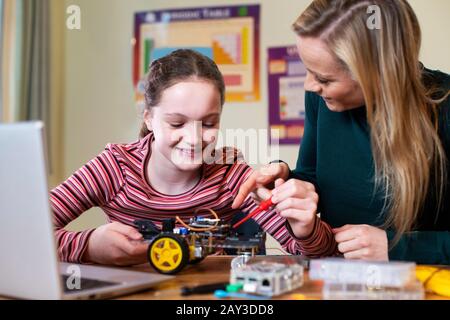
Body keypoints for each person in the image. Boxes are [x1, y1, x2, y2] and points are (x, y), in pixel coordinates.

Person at [51, 49, 331, 266]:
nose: (195, 138)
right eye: (177, 123)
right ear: (148, 117)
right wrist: (88, 246)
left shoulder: (231, 174)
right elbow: (18, 235)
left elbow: (312, 255)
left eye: (208, 124)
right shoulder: (113, 167)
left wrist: (305, 230)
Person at [233, 0, 450, 264]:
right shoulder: (322, 100)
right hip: (338, 278)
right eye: (308, 71)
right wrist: (288, 182)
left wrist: (397, 248)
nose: (309, 85)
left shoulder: (444, 106)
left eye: (324, 79)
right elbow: (317, 179)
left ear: (379, 73)